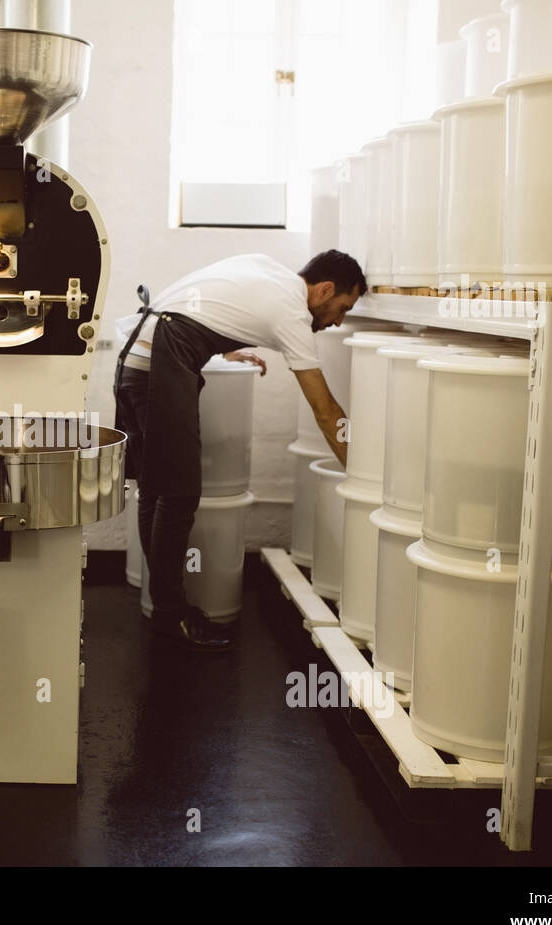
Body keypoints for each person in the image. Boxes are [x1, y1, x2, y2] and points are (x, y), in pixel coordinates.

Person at [113, 249, 364, 652]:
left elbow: (209, 303)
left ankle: (163, 607)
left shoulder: (268, 269)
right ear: (325, 289)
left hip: (135, 360)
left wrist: (220, 349)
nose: (338, 320)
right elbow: (325, 410)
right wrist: (360, 471)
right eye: (342, 308)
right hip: (159, 361)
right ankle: (169, 616)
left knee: (158, 488)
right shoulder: (293, 314)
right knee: (178, 495)